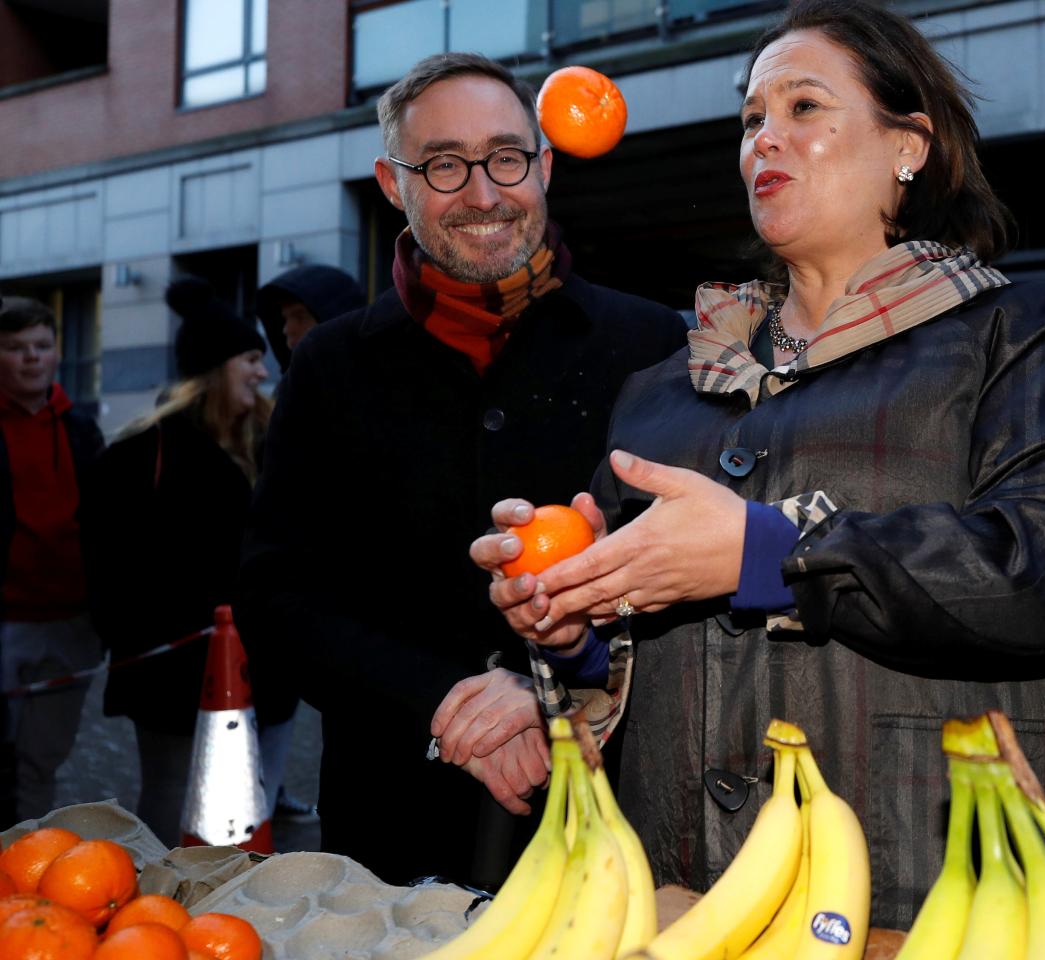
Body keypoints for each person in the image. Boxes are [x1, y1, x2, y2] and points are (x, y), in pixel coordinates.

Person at [466, 0, 1045, 927]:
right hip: (680, 886)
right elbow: (617, 653)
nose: (764, 139)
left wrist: (766, 551)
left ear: (910, 146)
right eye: (750, 119)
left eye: (804, 107)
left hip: (936, 889)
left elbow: (1041, 570)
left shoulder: (1018, 336)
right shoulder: (664, 386)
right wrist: (567, 613)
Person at [238, 53, 685, 886]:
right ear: (391, 181)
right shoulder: (331, 365)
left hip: (614, 820)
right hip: (392, 829)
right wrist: (443, 703)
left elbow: (692, 580)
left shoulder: (653, 345)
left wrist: (543, 693)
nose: (483, 192)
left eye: (506, 157)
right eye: (443, 164)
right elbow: (277, 595)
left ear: (544, 166)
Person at [80, 278, 293, 843]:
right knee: (175, 801)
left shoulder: (270, 445)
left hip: (267, 672)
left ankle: (240, 906)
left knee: (254, 803)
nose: (261, 372)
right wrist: (138, 639)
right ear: (215, 367)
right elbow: (104, 563)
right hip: (171, 680)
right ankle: (161, 910)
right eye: (250, 359)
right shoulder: (139, 455)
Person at [0, 295, 104, 822]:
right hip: (7, 617)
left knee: (41, 758)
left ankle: (22, 863)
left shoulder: (81, 428)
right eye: (16, 348)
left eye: (41, 346)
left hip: (70, 617)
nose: (31, 358)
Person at [256, 264, 366, 372]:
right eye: (284, 319)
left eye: (300, 317)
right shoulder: (292, 386)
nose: (286, 329)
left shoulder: (374, 385)